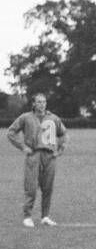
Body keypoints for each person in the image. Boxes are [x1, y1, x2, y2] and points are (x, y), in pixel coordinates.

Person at [7, 93, 68, 227]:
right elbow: (11, 132)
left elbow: (63, 134)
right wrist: (22, 146)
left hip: (50, 156)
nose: (42, 104)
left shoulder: (54, 118)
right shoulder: (25, 117)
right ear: (33, 104)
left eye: (44, 102)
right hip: (34, 155)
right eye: (39, 102)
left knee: (48, 187)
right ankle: (27, 216)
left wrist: (60, 149)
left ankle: (45, 216)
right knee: (31, 186)